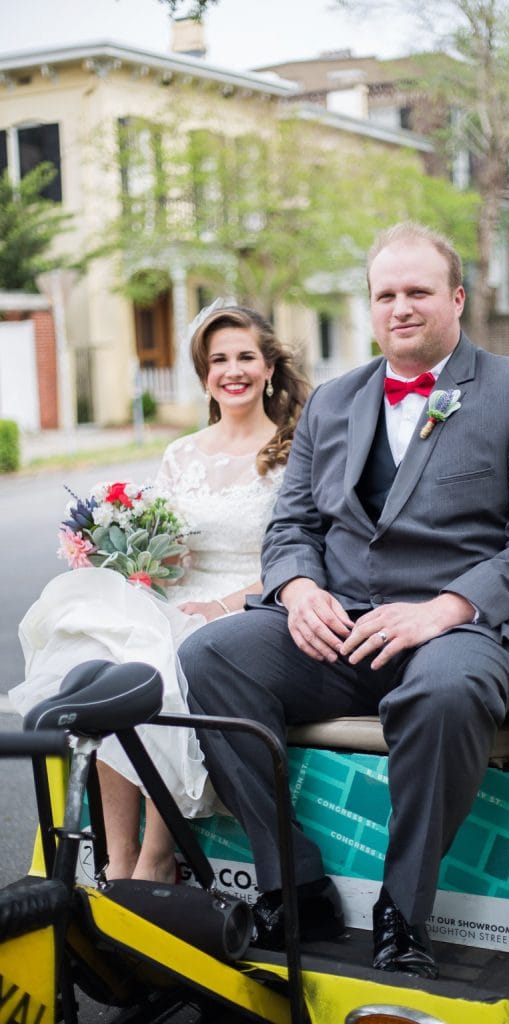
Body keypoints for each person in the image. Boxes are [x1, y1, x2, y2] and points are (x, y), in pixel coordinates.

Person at [179, 222, 509, 977]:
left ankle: (404, 913)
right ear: (370, 308)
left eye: (417, 292)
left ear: (456, 298)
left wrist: (445, 609)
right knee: (209, 656)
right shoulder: (333, 403)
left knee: (445, 692)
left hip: (451, 635)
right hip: (334, 632)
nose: (400, 307)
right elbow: (293, 523)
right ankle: (294, 883)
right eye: (385, 295)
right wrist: (298, 587)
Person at [10, 304, 308, 884]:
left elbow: (294, 558)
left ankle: (155, 857)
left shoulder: (293, 449)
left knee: (163, 658)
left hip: (245, 607)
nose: (233, 370)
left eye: (246, 356)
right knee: (99, 653)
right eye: (218, 359)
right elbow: (171, 549)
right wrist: (133, 555)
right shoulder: (182, 453)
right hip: (175, 595)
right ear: (204, 375)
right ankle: (117, 857)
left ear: (269, 366)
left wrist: (219, 606)